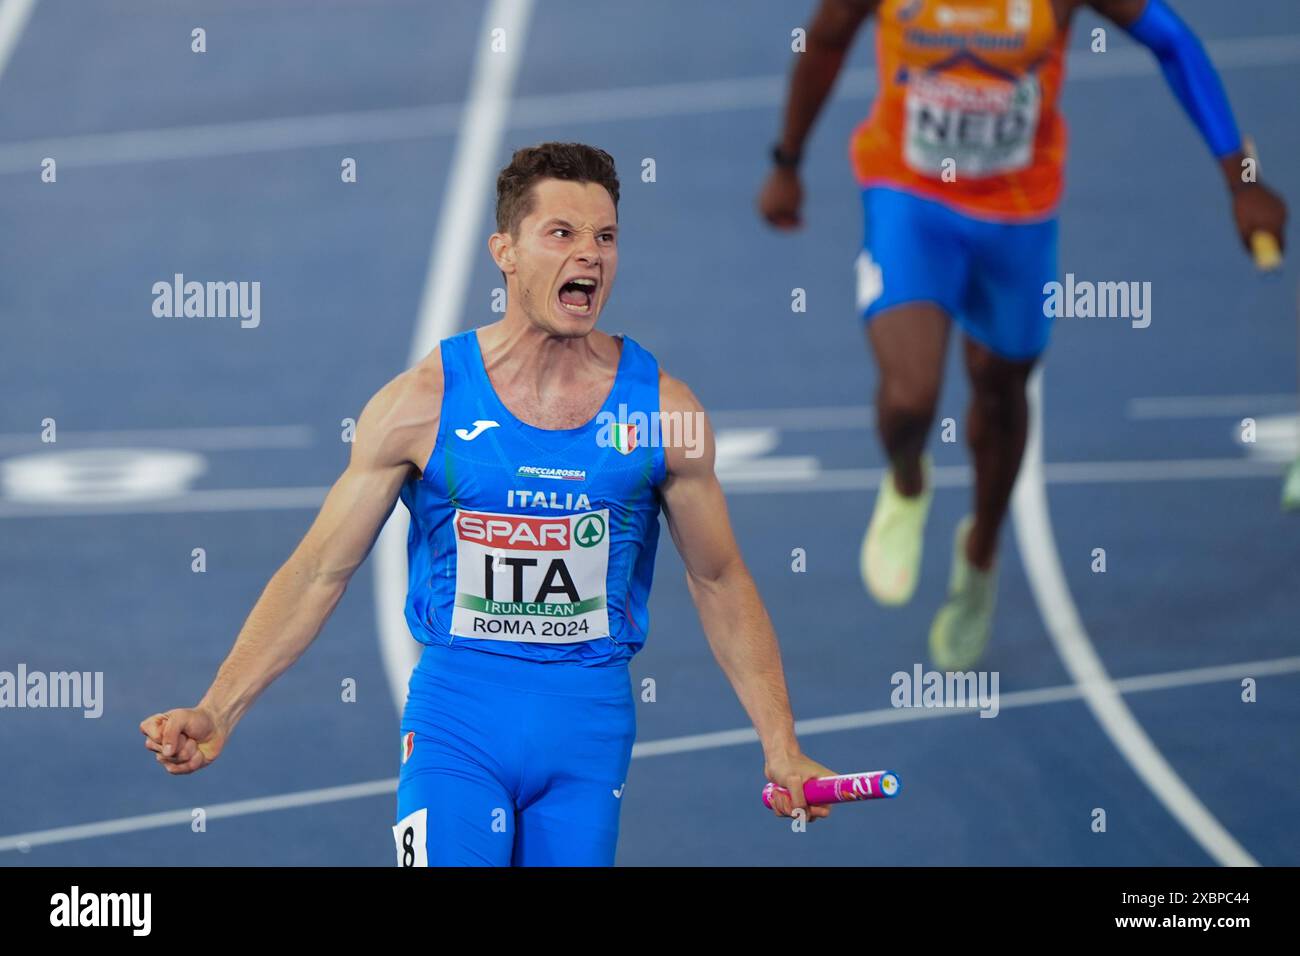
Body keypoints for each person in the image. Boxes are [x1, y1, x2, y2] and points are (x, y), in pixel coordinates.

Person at [142, 142, 834, 866]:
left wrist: (781, 744)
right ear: (505, 251)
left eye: (605, 237)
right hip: (458, 721)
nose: (590, 256)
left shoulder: (663, 412)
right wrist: (218, 707)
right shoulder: (421, 404)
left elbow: (719, 579)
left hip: (589, 730)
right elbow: (319, 571)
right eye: (561, 234)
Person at [758, 0, 1287, 668]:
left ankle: (979, 554)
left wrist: (1242, 178)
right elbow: (827, 38)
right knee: (911, 396)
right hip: (911, 199)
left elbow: (1172, 42)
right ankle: (907, 481)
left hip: (1019, 217)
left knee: (1000, 391)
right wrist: (787, 161)